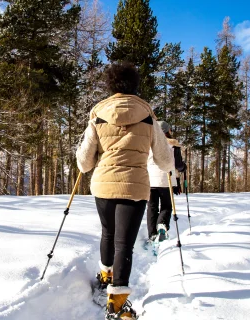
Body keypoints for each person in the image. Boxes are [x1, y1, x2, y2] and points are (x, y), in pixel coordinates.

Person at [76, 62, 173, 319]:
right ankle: (117, 303)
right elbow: (164, 161)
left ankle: (105, 277)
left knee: (108, 233)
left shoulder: (98, 114)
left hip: (104, 183)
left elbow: (84, 163)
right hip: (135, 186)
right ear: (134, 85)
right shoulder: (148, 116)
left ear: (110, 85)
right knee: (124, 244)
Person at [146, 121, 187, 242]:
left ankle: (152, 235)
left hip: (150, 181)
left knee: (152, 207)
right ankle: (162, 225)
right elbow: (179, 165)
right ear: (167, 131)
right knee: (166, 206)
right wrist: (184, 168)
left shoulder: (148, 144)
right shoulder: (173, 145)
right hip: (167, 180)